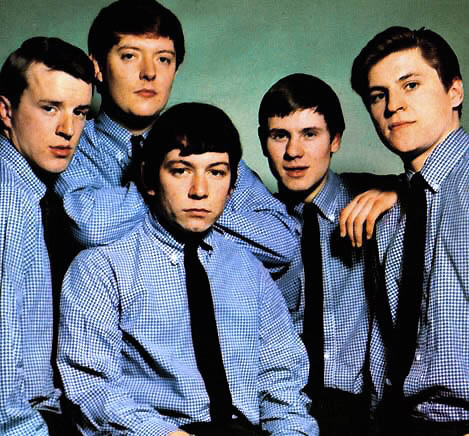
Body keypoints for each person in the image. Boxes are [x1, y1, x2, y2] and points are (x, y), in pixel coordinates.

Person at [57, 102, 317, 435]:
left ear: (232, 187)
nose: (199, 191)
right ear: (149, 178)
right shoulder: (100, 268)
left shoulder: (250, 270)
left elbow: (282, 384)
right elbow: (92, 388)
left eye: (216, 172)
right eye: (181, 170)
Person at [56, 0, 298, 277]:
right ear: (97, 66)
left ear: (175, 71)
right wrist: (177, 199)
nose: (149, 73)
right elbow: (89, 227)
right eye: (130, 56)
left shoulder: (206, 144)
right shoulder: (70, 142)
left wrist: (196, 210)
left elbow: (282, 243)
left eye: (163, 59)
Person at [258, 73, 399, 435]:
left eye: (310, 134)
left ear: (335, 139)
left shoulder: (375, 199)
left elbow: (435, 186)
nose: (294, 152)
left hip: (365, 415)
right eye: (280, 135)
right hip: (282, 412)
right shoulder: (257, 226)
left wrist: (401, 193)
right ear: (263, 142)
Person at [351, 26, 467, 436]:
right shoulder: (391, 211)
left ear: (455, 91)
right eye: (377, 95)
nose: (393, 106)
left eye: (411, 85)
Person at [0, 37, 93, 435]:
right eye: (50, 108)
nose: (68, 130)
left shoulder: (28, 190)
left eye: (80, 112)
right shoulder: (9, 198)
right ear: (6, 111)